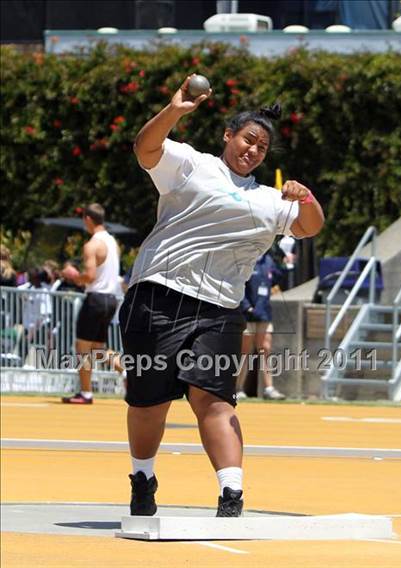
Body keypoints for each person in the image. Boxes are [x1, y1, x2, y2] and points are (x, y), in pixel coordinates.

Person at [120, 75, 324, 518]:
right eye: (247, 140)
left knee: (213, 399)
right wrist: (175, 110)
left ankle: (231, 495)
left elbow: (310, 226)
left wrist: (304, 196)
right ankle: (142, 477)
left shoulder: (270, 200)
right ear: (228, 135)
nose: (252, 150)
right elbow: (145, 148)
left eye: (261, 148)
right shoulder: (191, 164)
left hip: (219, 308)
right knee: (148, 401)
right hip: (158, 294)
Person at [61, 203, 123, 404]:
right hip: (111, 299)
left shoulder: (92, 244)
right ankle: (128, 370)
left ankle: (86, 393)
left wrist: (73, 276)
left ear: (88, 219)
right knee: (98, 349)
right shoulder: (113, 242)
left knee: (83, 348)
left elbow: (89, 276)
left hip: (96, 298)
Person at [236, 252, 286, 401]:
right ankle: (238, 388)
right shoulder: (246, 257)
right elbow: (238, 284)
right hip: (248, 313)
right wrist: (247, 307)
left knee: (265, 348)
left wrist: (286, 264)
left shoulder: (268, 260)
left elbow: (276, 278)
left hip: (264, 312)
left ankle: (269, 388)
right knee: (245, 351)